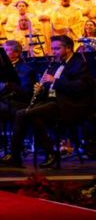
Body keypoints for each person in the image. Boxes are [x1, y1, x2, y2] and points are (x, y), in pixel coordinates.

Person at [5, 35, 93, 168]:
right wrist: (40, 89)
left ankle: (43, 153)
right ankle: (24, 155)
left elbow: (81, 87)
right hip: (52, 102)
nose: (54, 52)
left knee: (28, 114)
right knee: (24, 114)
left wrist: (55, 81)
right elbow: (48, 86)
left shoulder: (79, 64)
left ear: (69, 48)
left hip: (69, 105)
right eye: (52, 48)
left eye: (57, 48)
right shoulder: (54, 64)